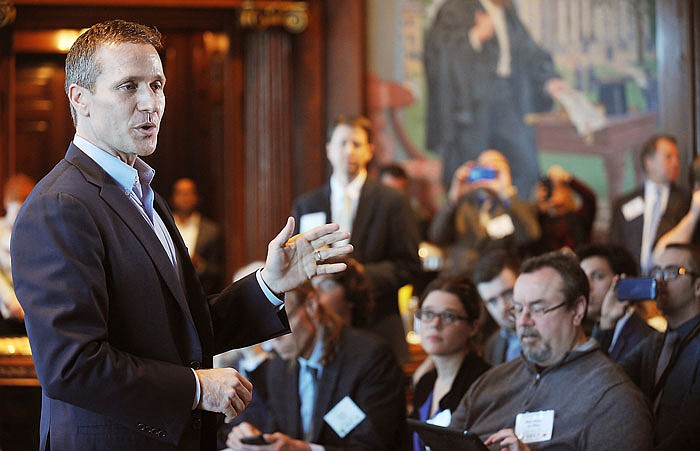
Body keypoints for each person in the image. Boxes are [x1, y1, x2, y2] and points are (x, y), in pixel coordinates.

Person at [10, 20, 353, 451]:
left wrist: (269, 285)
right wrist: (195, 388)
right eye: (128, 87)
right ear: (80, 99)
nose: (150, 103)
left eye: (157, 84)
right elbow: (71, 367)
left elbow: (185, 331)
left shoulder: (142, 192)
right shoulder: (60, 205)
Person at [450, 251, 653, 450]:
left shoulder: (613, 400)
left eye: (538, 309)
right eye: (519, 309)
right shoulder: (490, 382)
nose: (523, 321)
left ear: (577, 310)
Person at [290, 114, 422, 364]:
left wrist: (358, 276)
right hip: (320, 330)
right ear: (329, 150)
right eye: (341, 143)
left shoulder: (392, 201)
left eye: (356, 144)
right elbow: (296, 264)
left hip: (379, 324)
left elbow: (409, 266)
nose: (348, 151)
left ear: (370, 151)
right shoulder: (307, 204)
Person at [225, 283, 406, 450]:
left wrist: (304, 450)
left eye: (282, 321)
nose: (273, 337)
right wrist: (256, 438)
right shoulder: (278, 367)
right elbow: (277, 431)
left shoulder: (370, 358)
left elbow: (375, 445)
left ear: (311, 305)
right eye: (266, 327)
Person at [424, 0, 568, 197]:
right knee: (473, 173)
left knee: (526, 168)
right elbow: (438, 56)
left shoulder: (507, 12)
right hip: (470, 110)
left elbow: (530, 52)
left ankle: (516, 219)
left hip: (508, 103)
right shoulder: (456, 8)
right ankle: (474, 223)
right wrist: (474, 37)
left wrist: (550, 79)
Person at [621, 243, 700, 449]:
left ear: (698, 286)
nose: (660, 280)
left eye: (672, 272)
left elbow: (690, 433)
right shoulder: (656, 342)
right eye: (656, 271)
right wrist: (608, 323)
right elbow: (610, 380)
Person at [428, 149, 540, 276]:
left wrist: (507, 193)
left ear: (507, 173)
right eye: (484, 167)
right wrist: (454, 198)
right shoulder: (462, 204)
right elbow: (437, 236)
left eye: (495, 169)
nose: (489, 170)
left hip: (499, 278)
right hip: (461, 276)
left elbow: (529, 236)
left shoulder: (518, 205)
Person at [410, 275, 490, 451]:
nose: (435, 324)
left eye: (448, 316)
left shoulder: (484, 382)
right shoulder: (425, 382)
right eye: (428, 314)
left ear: (473, 326)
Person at [609, 133, 690, 274]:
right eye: (668, 157)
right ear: (649, 162)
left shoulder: (687, 200)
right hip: (632, 283)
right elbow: (613, 248)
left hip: (670, 280)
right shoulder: (624, 203)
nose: (676, 162)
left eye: (677, 157)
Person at [577, 243, 654, 360]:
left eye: (598, 277)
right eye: (584, 278)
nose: (587, 287)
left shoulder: (645, 340)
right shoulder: (592, 332)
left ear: (623, 281)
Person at [170, 177, 225, 295]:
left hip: (199, 293)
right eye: (180, 193)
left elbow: (218, 271)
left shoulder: (210, 231)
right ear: (173, 198)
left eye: (188, 193)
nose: (185, 198)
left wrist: (199, 264)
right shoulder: (164, 225)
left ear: (196, 197)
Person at [472, 248, 521, 366]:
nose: (503, 307)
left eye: (508, 293)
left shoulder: (552, 333)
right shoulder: (492, 346)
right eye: (492, 301)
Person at [533, 164, 597, 253]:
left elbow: (590, 198)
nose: (555, 192)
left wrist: (568, 178)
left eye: (559, 188)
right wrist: (540, 204)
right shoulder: (544, 219)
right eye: (552, 188)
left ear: (567, 192)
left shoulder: (580, 216)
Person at [0, 173, 35, 336]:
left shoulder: (33, 234)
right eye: (17, 210)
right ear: (7, 204)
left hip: (28, 310)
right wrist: (10, 299)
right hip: (4, 309)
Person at [311, 256, 374, 329]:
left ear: (352, 296)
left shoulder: (366, 340)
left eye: (327, 286)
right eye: (313, 289)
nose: (314, 296)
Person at [379, 163, 432, 240]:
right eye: (389, 191)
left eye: (398, 192)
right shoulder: (368, 210)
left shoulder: (417, 216)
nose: (393, 197)